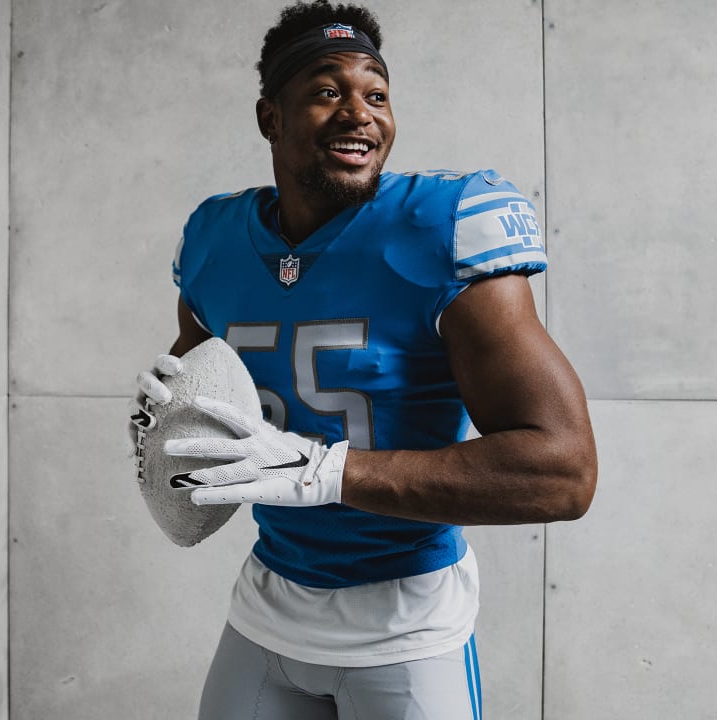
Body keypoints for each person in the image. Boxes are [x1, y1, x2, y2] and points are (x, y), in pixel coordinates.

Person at [129, 1, 597, 718]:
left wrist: (327, 472)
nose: (360, 113)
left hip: (408, 629)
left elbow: (563, 472)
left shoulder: (443, 228)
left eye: (376, 94)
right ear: (270, 119)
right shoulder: (212, 240)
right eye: (326, 91)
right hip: (266, 608)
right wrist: (156, 415)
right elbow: (199, 433)